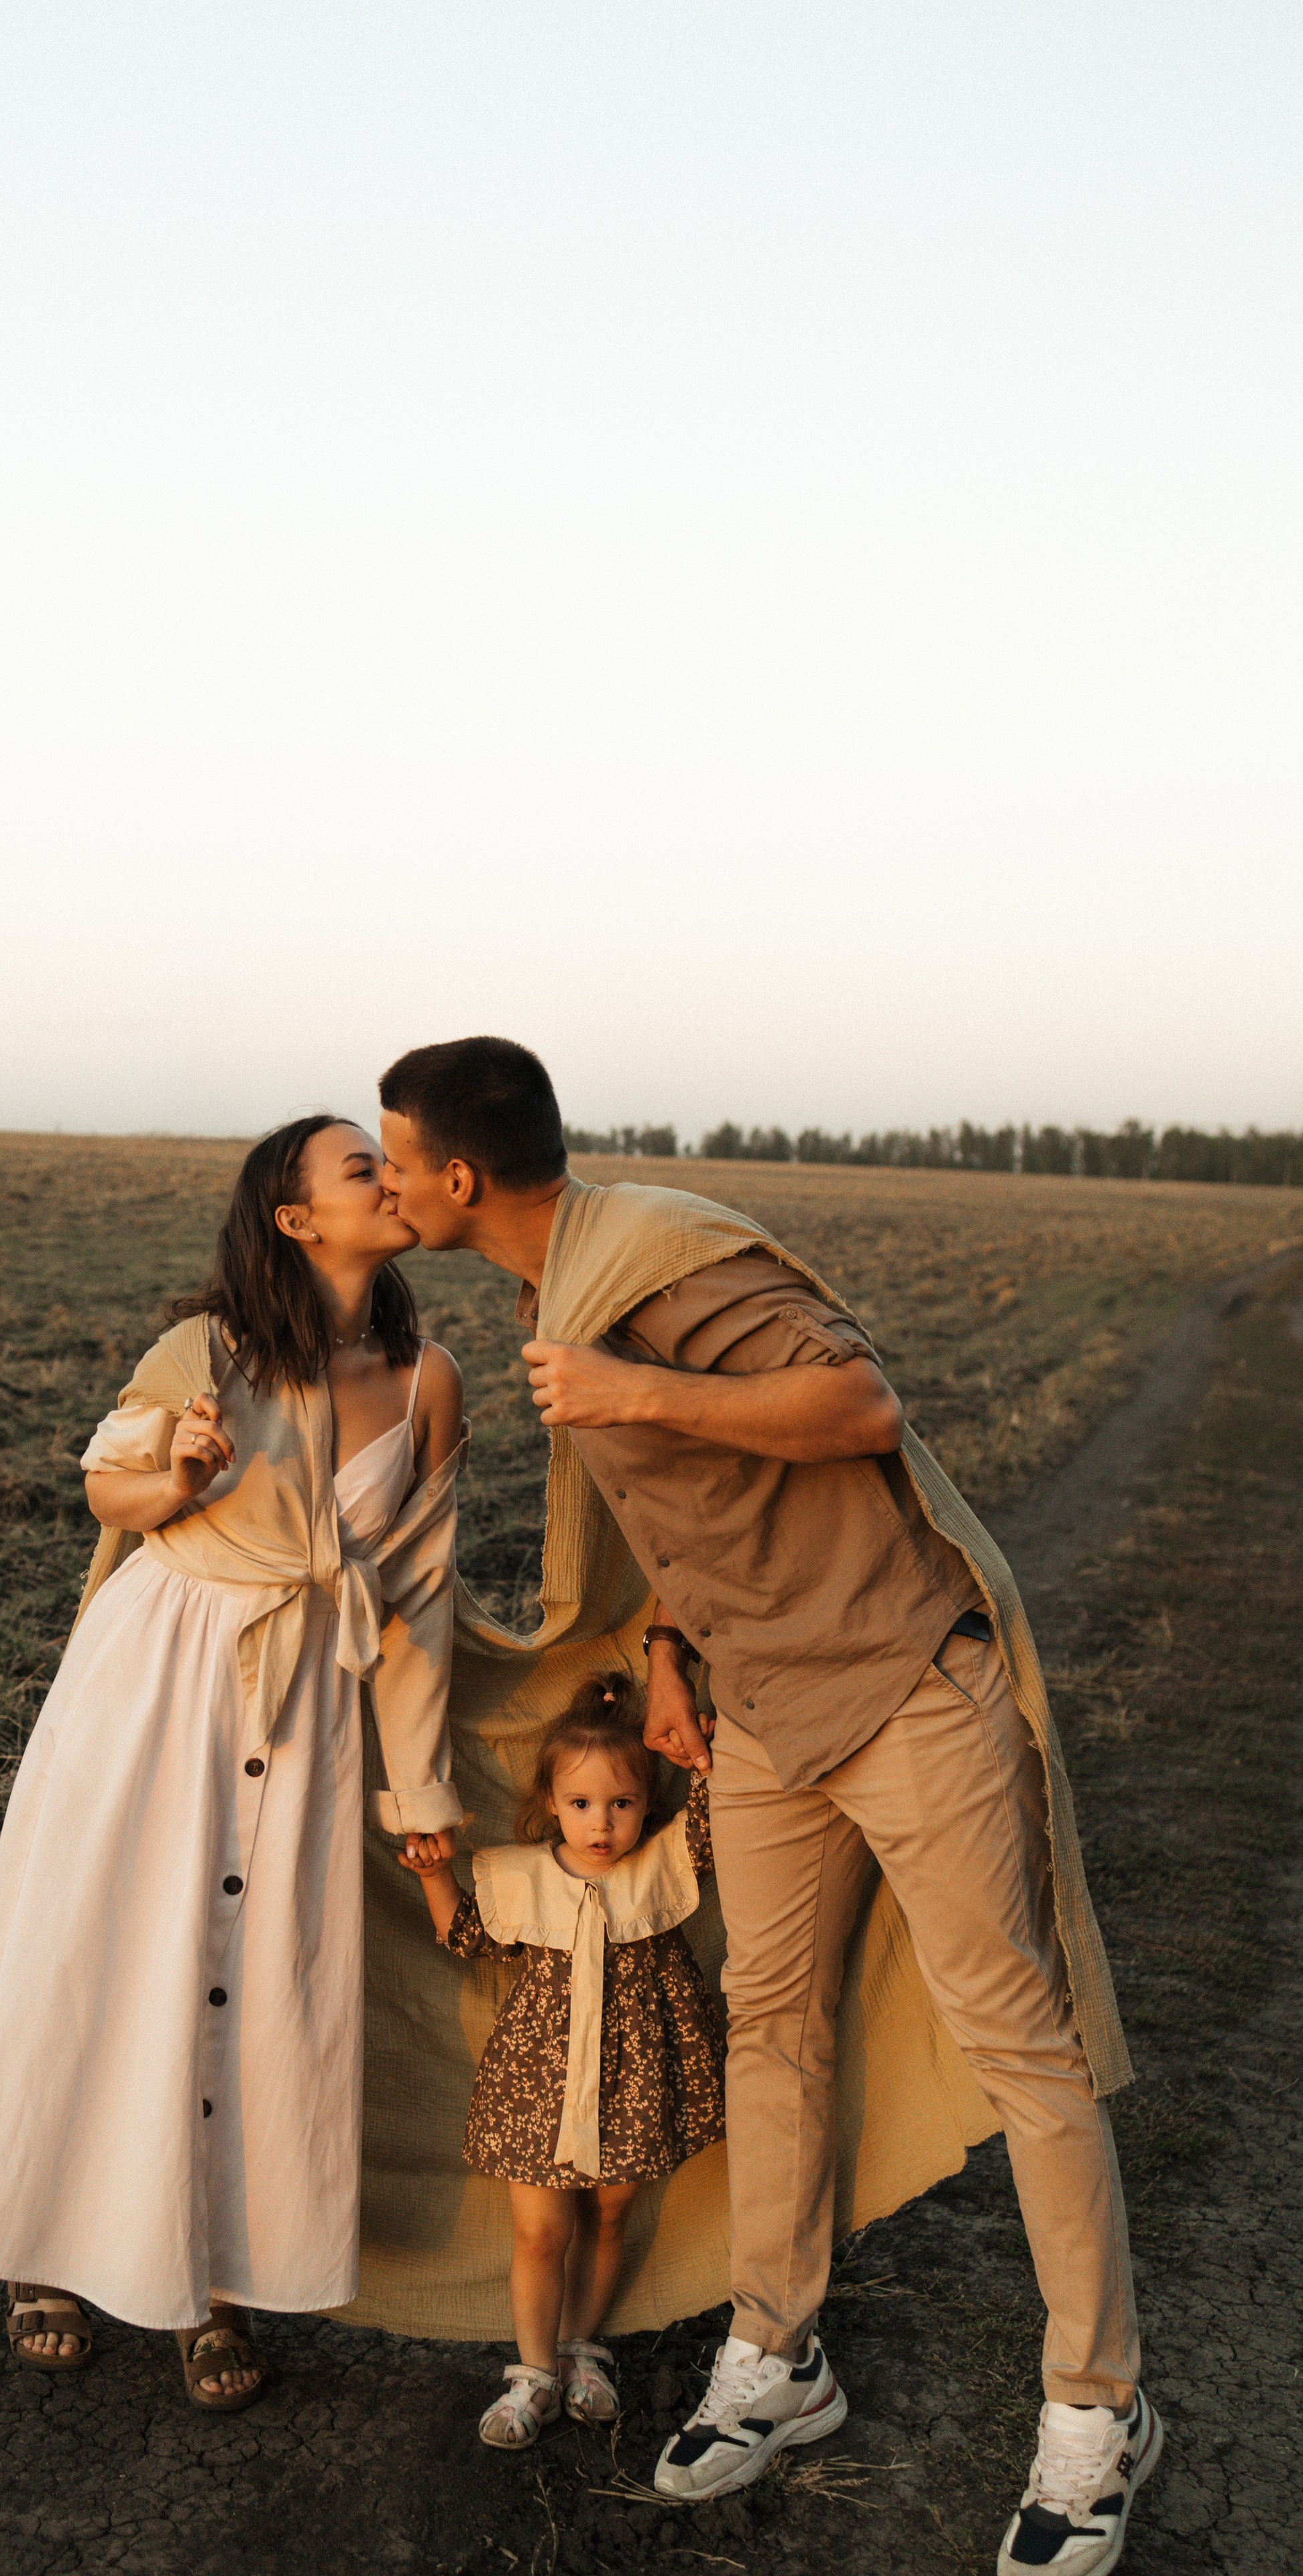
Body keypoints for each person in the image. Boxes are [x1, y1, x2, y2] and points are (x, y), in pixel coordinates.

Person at [378, 1037, 1159, 2576]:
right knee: (770, 2021)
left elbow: (856, 1402)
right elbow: (679, 1504)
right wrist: (670, 1644)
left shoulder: (658, 1262)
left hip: (901, 1677)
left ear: (457, 1176)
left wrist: (631, 1387)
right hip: (759, 1703)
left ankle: (1098, 2403)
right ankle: (777, 2350)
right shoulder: (554, 1289)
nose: (379, 1176)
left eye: (390, 1154)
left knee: (1017, 2041)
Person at [0, 1115, 465, 2409]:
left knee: (260, 1980)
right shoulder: (206, 1350)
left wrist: (427, 1806)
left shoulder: (431, 1376)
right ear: (295, 1221)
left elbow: (419, 1603)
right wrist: (168, 1470)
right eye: (361, 1168)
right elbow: (108, 1489)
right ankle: (42, 2251)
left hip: (303, 1715)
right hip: (160, 1679)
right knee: (104, 1952)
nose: (389, 1180)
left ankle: (216, 2282)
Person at [401, 1673, 726, 2449]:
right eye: (581, 1803)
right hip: (536, 2084)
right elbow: (467, 1938)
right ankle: (533, 2372)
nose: (602, 1822)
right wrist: (433, 1875)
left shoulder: (665, 1862)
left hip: (639, 2075)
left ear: (647, 1802)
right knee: (540, 2231)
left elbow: (716, 1817)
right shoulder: (519, 1873)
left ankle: (584, 2348)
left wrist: (707, 1752)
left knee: (609, 2215)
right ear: (551, 1802)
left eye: (620, 1803)